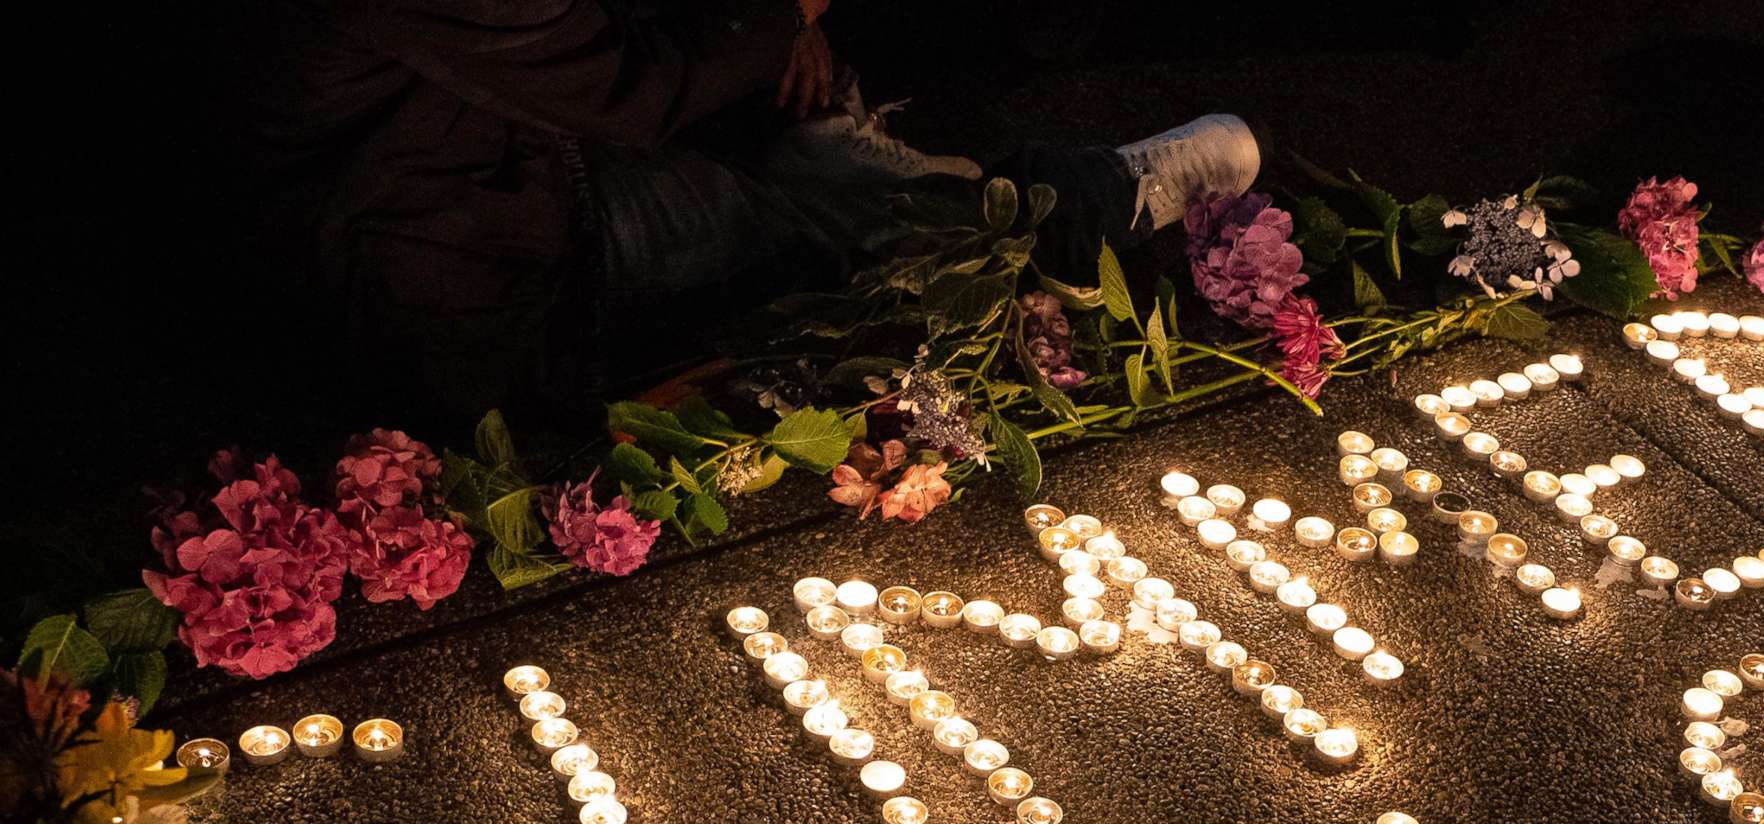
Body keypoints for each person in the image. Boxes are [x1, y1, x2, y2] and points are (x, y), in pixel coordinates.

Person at [231, 0, 1263, 420]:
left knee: (771, 145)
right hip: (449, 236)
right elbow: (626, 84)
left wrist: (776, 30)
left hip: (502, 150)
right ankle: (1080, 195)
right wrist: (783, 15)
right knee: (816, 253)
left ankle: (839, 160)